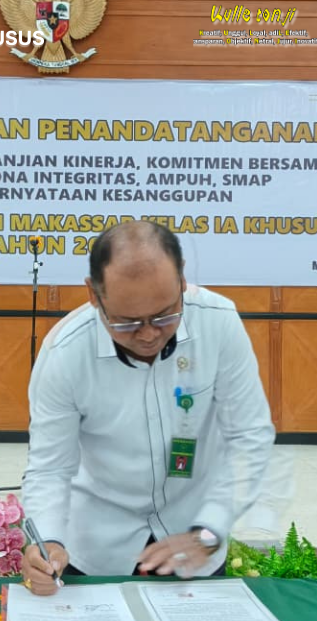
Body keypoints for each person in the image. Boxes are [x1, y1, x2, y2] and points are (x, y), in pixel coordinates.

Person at [19, 220, 281, 595]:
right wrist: (47, 541)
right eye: (126, 322)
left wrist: (210, 530)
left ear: (182, 279)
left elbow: (249, 436)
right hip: (98, 550)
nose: (148, 334)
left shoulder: (218, 324)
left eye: (165, 315)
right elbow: (50, 468)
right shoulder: (65, 353)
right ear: (93, 294)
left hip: (196, 542)